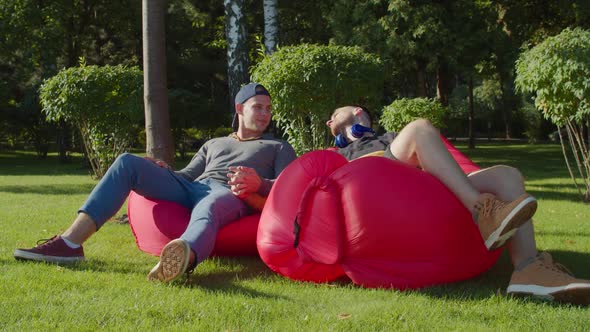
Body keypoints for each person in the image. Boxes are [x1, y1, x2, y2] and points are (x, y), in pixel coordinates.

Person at [14, 83, 297, 284]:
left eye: (268, 109)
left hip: (231, 194)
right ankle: (69, 243)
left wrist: (259, 183)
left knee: (209, 206)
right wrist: (163, 171)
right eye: (258, 107)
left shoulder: (277, 147)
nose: (265, 114)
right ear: (239, 108)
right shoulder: (214, 143)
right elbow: (188, 176)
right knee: (127, 161)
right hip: (194, 187)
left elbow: (288, 187)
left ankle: (181, 258)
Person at [326, 105, 590, 305]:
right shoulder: (335, 152)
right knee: (419, 128)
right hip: (372, 185)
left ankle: (528, 270)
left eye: (336, 113)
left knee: (508, 176)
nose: (330, 119)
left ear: (359, 112)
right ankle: (481, 211)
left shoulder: (390, 137)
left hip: (418, 186)